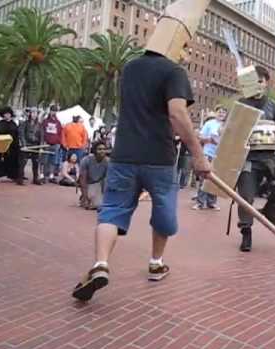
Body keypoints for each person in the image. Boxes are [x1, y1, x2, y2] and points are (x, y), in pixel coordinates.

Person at [71, 0, 211, 302]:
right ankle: (156, 263)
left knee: (112, 210)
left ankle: (101, 264)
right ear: (178, 41)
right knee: (164, 215)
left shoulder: (131, 68)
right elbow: (177, 114)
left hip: (123, 156)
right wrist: (199, 155)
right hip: (158, 160)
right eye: (186, 45)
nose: (187, 52)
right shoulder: (174, 72)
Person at [236, 65, 275, 252]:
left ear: (266, 83)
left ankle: (272, 214)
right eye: (254, 81)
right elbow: (228, 130)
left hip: (270, 157)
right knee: (246, 197)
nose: (258, 84)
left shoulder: (273, 105)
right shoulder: (241, 104)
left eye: (261, 81)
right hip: (248, 159)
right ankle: (246, 232)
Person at [193, 105, 227, 210]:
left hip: (219, 156)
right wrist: (210, 140)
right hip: (208, 153)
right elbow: (200, 137)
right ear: (216, 113)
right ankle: (200, 202)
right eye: (219, 112)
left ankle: (211, 202)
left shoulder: (227, 125)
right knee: (205, 178)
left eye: (223, 112)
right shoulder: (209, 123)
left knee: (215, 180)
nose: (221, 114)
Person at [79, 142, 108, 210]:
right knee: (94, 203)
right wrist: (85, 197)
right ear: (94, 150)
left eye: (104, 149)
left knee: (99, 205)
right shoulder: (86, 160)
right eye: (99, 149)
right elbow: (83, 180)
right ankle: (84, 197)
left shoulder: (108, 162)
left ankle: (95, 198)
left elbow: (107, 180)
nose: (102, 151)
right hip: (88, 184)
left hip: (98, 184)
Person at [0, 107, 21, 182]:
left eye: (8, 114)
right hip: (2, 145)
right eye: (5, 114)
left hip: (13, 145)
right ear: (3, 115)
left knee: (12, 160)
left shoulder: (14, 123)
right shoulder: (0, 123)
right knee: (0, 160)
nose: (7, 115)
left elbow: (16, 134)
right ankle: (0, 174)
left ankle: (12, 175)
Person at [18, 108, 43, 186]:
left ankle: (35, 179)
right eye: (33, 113)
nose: (34, 115)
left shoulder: (39, 124)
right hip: (26, 145)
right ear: (30, 114)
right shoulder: (24, 123)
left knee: (35, 163)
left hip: (35, 145)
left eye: (36, 113)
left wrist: (41, 147)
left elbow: (42, 136)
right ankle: (20, 179)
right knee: (23, 163)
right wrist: (24, 145)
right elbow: (21, 134)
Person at [42, 105, 63, 183]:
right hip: (46, 143)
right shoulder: (45, 121)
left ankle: (51, 176)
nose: (53, 112)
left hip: (55, 144)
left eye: (55, 111)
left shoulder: (58, 122)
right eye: (52, 110)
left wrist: (59, 142)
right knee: (45, 160)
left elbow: (60, 133)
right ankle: (44, 176)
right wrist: (43, 141)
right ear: (50, 111)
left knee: (53, 161)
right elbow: (42, 131)